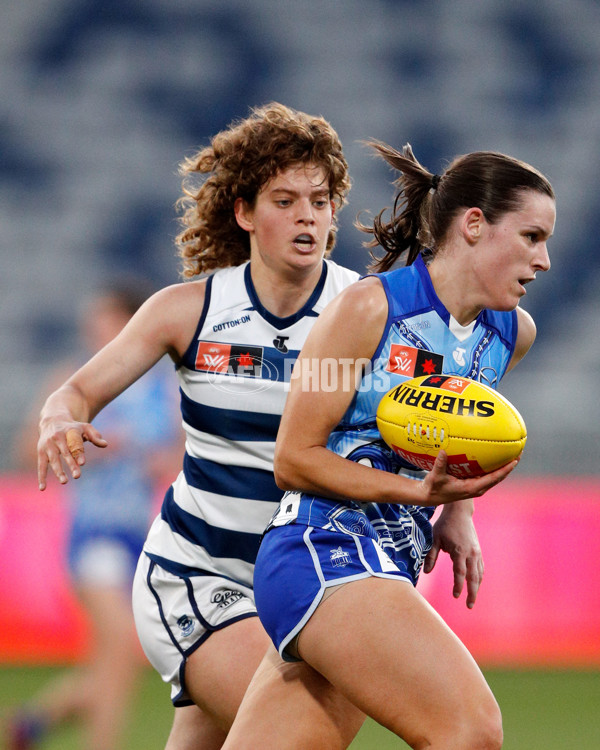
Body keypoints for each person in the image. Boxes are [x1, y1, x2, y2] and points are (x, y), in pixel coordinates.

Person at [34, 103, 369, 749]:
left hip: (305, 584)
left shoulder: (366, 310)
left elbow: (429, 413)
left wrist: (458, 513)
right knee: (302, 729)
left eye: (320, 199)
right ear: (244, 212)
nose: (308, 214)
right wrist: (59, 418)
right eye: (285, 198)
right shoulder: (188, 311)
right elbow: (77, 390)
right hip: (200, 577)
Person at [222, 142, 555, 750]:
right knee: (469, 728)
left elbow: (458, 429)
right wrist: (415, 492)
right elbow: (294, 459)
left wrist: (458, 510)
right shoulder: (369, 308)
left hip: (390, 564)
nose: (545, 259)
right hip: (323, 548)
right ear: (474, 225)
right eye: (532, 236)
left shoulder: (511, 333)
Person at [7, 282, 182, 750]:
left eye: (104, 319)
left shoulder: (163, 390)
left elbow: (178, 457)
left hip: (136, 536)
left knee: (113, 660)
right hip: (93, 532)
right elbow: (28, 448)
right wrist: (82, 445)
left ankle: (31, 723)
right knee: (122, 647)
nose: (93, 329)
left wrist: (158, 459)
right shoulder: (76, 382)